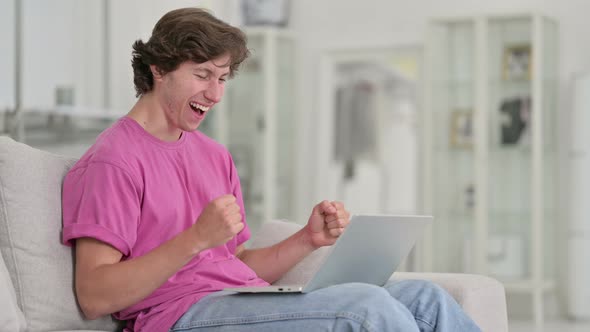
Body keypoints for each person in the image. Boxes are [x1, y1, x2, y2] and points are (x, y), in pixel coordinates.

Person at [61, 7, 481, 332]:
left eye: (223, 78)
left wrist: (307, 239)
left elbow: (237, 263)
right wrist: (194, 239)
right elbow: (94, 294)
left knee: (427, 298)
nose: (215, 93)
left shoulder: (212, 155)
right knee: (366, 311)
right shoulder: (113, 161)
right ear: (158, 68)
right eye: (203, 75)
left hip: (241, 300)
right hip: (179, 316)